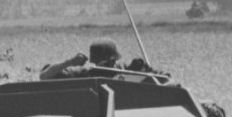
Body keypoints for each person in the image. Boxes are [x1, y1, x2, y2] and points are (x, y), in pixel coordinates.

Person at [39, 38, 168, 80]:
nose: (111, 64)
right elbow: (44, 76)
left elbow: (166, 78)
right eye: (104, 63)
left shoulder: (128, 70)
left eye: (112, 61)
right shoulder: (86, 74)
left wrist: (149, 72)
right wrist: (70, 62)